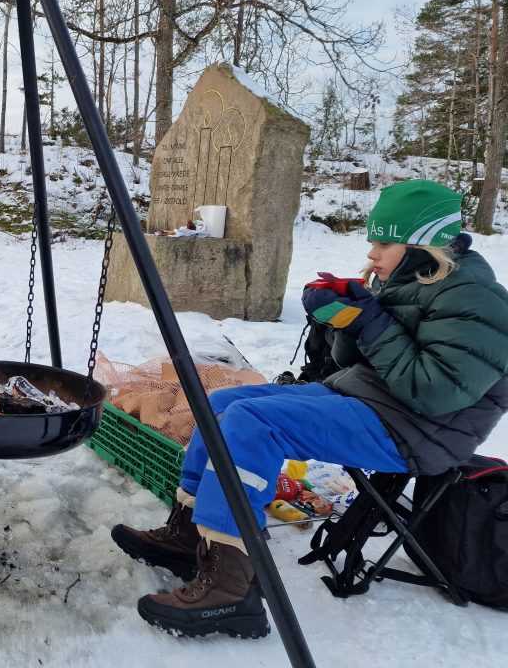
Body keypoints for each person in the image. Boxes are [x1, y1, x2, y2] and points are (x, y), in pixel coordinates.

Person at [112, 179, 508, 639]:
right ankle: (190, 536)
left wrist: (371, 323)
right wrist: (341, 317)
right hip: (369, 399)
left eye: (384, 242)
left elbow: (434, 391)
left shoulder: (477, 301)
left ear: (424, 246)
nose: (372, 252)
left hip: (418, 429)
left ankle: (232, 586)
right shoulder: (410, 282)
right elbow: (353, 361)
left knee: (251, 423)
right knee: (220, 401)